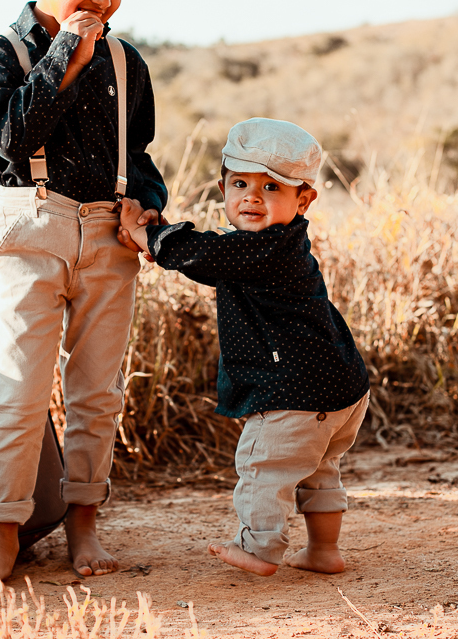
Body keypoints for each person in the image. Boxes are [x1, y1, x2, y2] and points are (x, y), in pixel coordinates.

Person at [0, 0, 166, 596]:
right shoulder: (0, 53)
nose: (103, 0)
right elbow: (13, 142)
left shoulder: (129, 64)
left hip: (108, 236)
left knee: (96, 392)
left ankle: (83, 522)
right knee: (16, 391)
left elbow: (139, 160)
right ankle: (3, 535)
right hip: (31, 232)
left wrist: (149, 208)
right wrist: (63, 61)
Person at [119, 118, 370, 576]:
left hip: (292, 393)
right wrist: (164, 239)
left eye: (272, 187)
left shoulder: (263, 247)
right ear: (222, 187)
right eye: (241, 183)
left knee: (263, 467)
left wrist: (147, 237)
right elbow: (213, 253)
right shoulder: (284, 244)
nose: (253, 197)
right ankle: (323, 550)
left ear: (304, 199)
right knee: (318, 466)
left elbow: (206, 255)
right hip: (341, 389)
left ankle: (259, 549)